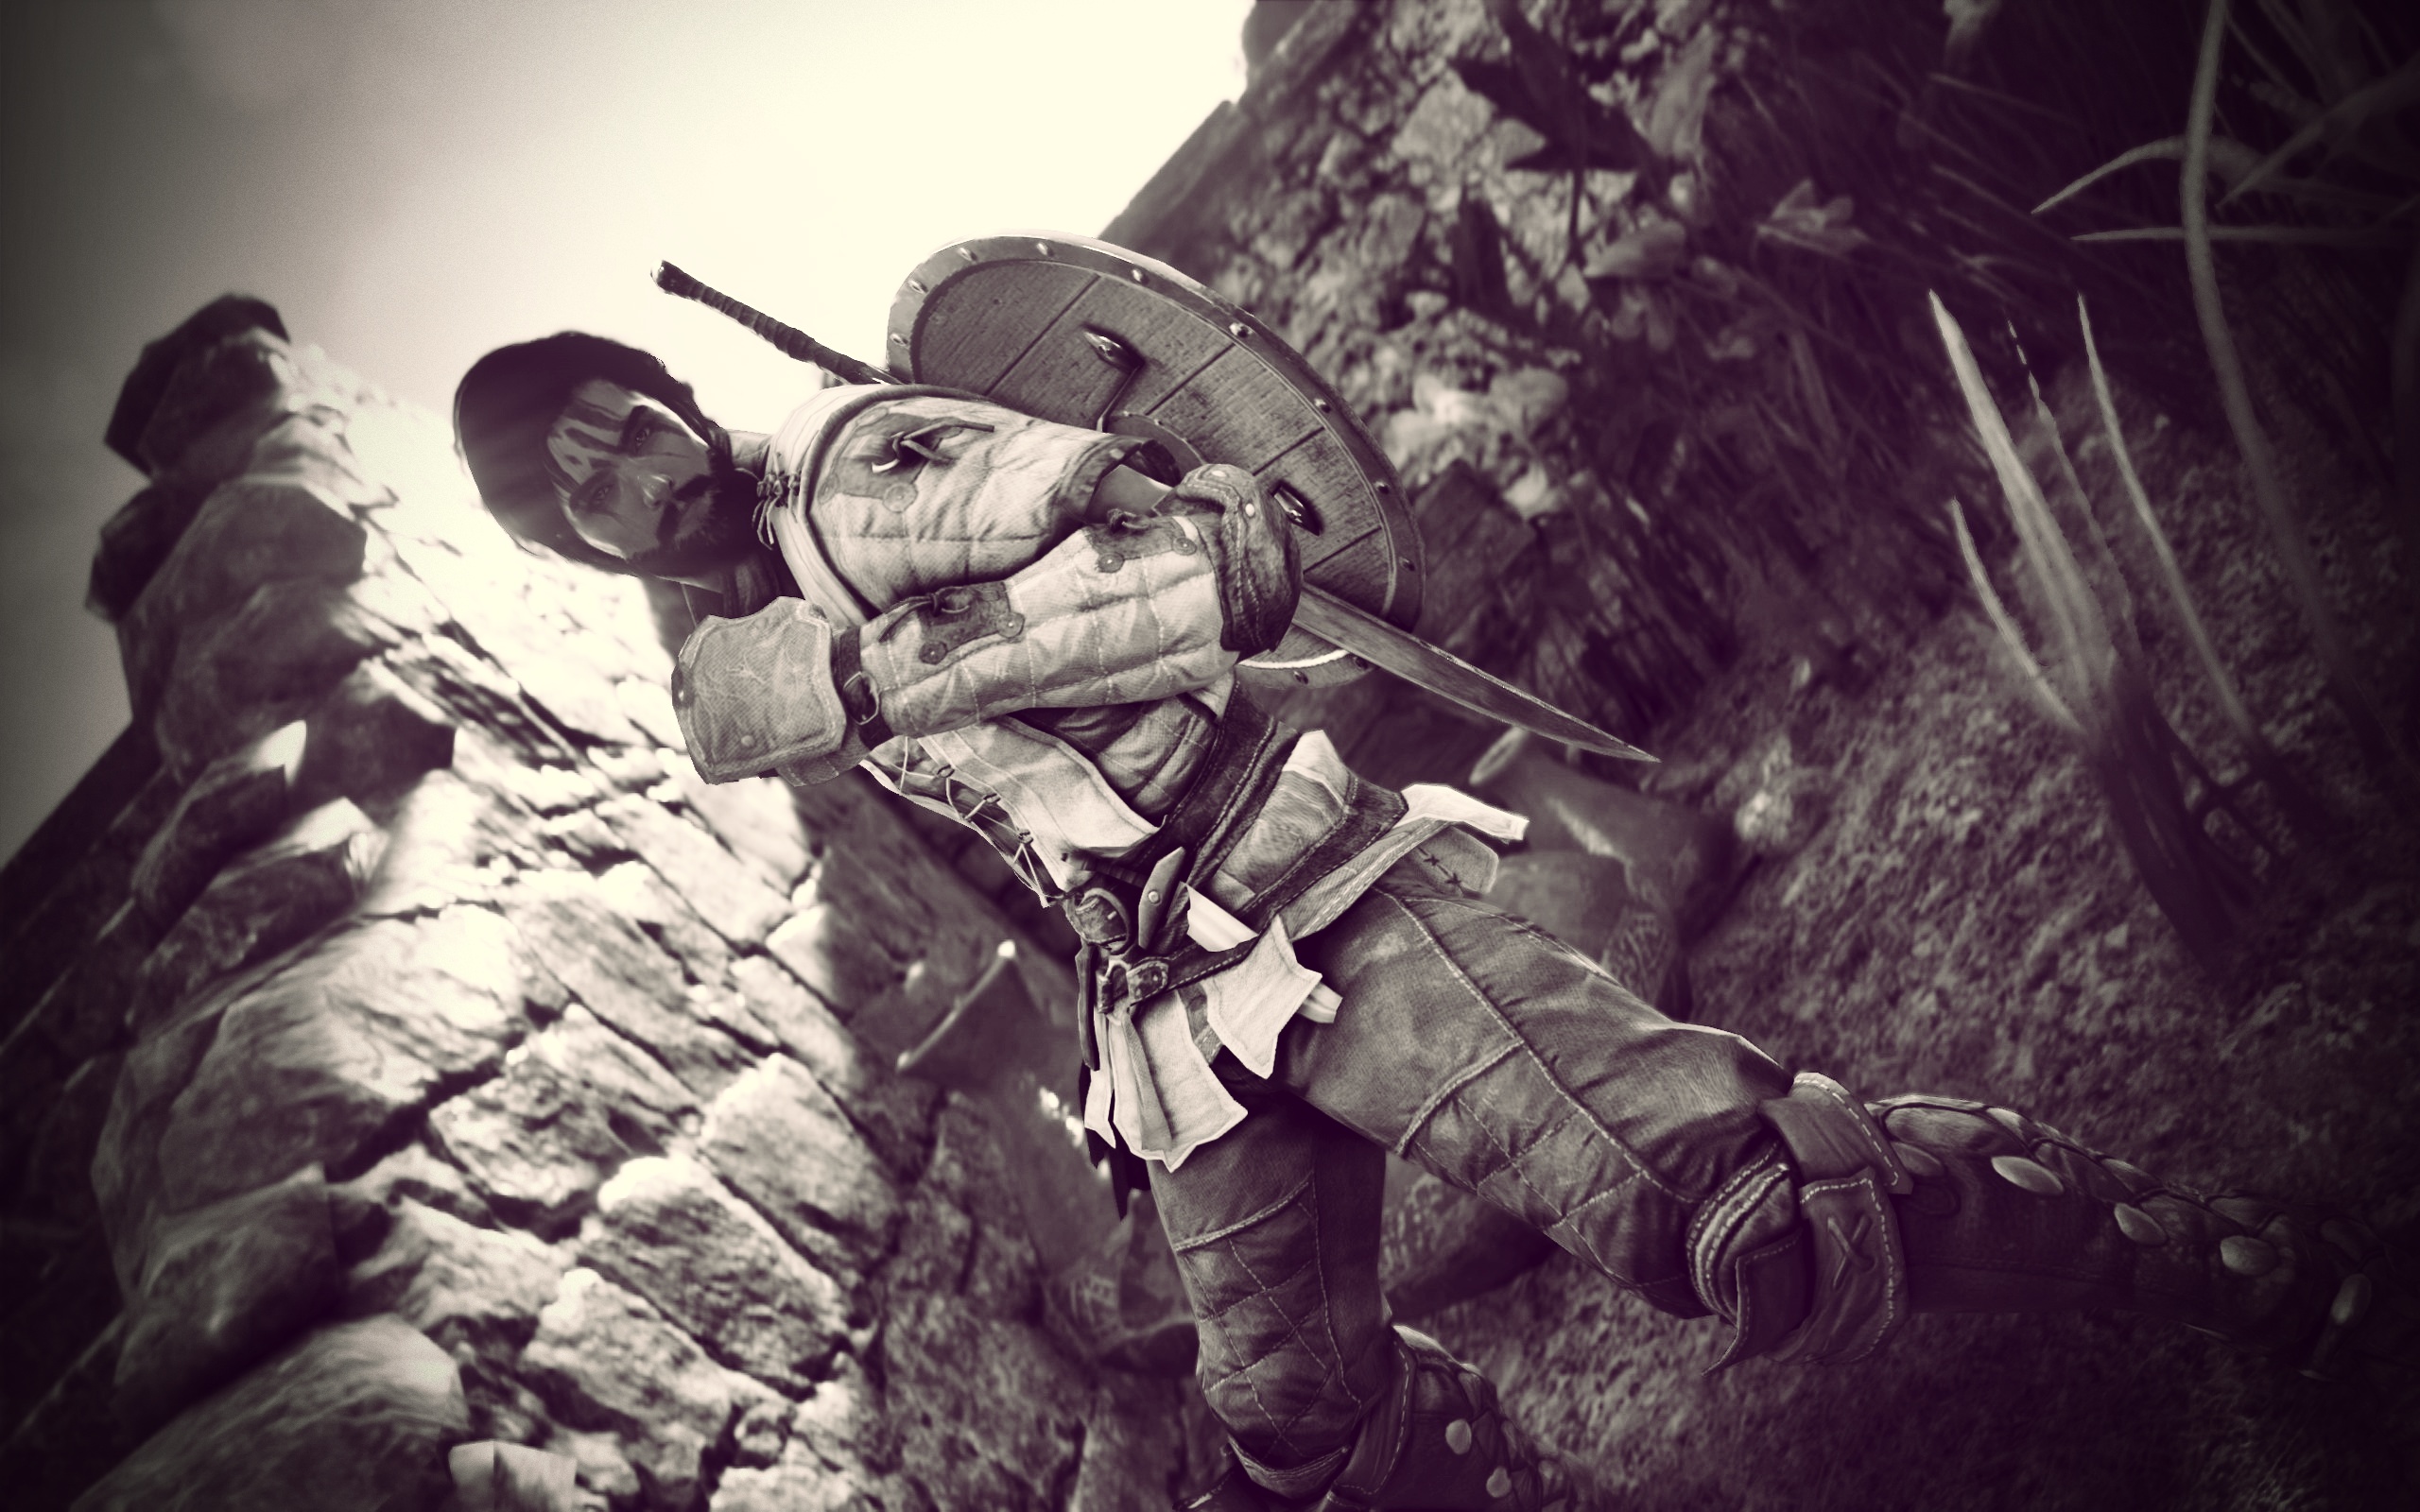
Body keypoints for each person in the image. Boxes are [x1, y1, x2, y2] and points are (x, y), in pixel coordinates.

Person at [455, 334, 2413, 1512]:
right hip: (1170, 1008)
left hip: (1306, 887)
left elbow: (1081, 514)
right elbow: (813, 704)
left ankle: (2250, 1272)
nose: (627, 471)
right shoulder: (742, 642)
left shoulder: (851, 469)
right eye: (576, 485)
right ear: (566, 539)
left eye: (619, 420)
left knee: (1733, 1208)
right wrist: (883, 666)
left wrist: (1139, 520)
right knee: (1295, 1429)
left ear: (664, 392)